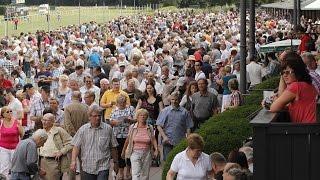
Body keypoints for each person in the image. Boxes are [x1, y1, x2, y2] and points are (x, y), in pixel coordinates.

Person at [70, 104, 119, 180]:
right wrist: (73, 161)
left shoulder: (108, 129)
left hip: (103, 166)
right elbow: (76, 146)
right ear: (89, 117)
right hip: (87, 166)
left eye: (99, 115)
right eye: (95, 116)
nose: (98, 118)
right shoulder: (83, 130)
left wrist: (116, 163)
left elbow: (113, 147)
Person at [270, 52, 318, 123]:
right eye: (282, 73)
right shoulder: (307, 85)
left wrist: (275, 101)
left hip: (306, 131)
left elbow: (273, 108)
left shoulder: (296, 86)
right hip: (311, 129)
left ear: (297, 71)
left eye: (288, 72)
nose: (284, 76)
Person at [122, 109, 158, 180]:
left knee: (145, 175)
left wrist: (156, 149)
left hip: (147, 153)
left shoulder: (150, 127)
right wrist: (123, 151)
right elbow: (128, 140)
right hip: (135, 153)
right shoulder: (132, 127)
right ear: (137, 117)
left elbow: (153, 139)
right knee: (135, 174)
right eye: (141, 115)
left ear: (147, 117)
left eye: (144, 115)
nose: (142, 117)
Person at [157, 91, 193, 160]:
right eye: (172, 99)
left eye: (176, 99)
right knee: (168, 160)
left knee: (179, 160)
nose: (174, 101)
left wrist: (188, 140)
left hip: (180, 141)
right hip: (167, 140)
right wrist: (164, 137)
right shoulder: (165, 111)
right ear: (170, 100)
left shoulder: (184, 112)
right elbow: (159, 125)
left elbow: (188, 127)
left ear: (179, 100)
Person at [39, 113, 73, 180]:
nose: (44, 122)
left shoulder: (58, 130)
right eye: (43, 120)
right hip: (41, 161)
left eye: (46, 120)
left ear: (52, 122)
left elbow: (71, 143)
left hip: (54, 162)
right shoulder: (40, 132)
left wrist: (61, 152)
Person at [110, 95, 135, 180]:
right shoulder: (114, 110)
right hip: (117, 135)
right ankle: (121, 172)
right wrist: (116, 122)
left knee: (129, 152)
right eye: (120, 103)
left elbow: (135, 120)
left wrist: (130, 120)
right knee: (120, 153)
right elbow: (111, 121)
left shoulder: (130, 109)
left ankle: (128, 171)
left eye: (123, 102)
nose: (122, 104)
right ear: (117, 103)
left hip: (128, 134)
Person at [0, 106, 24, 178]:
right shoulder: (1, 122)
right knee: (4, 167)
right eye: (7, 112)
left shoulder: (17, 122)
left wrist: (19, 128)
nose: (10, 113)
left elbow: (22, 135)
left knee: (15, 167)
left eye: (11, 111)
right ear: (3, 114)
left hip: (15, 148)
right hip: (3, 148)